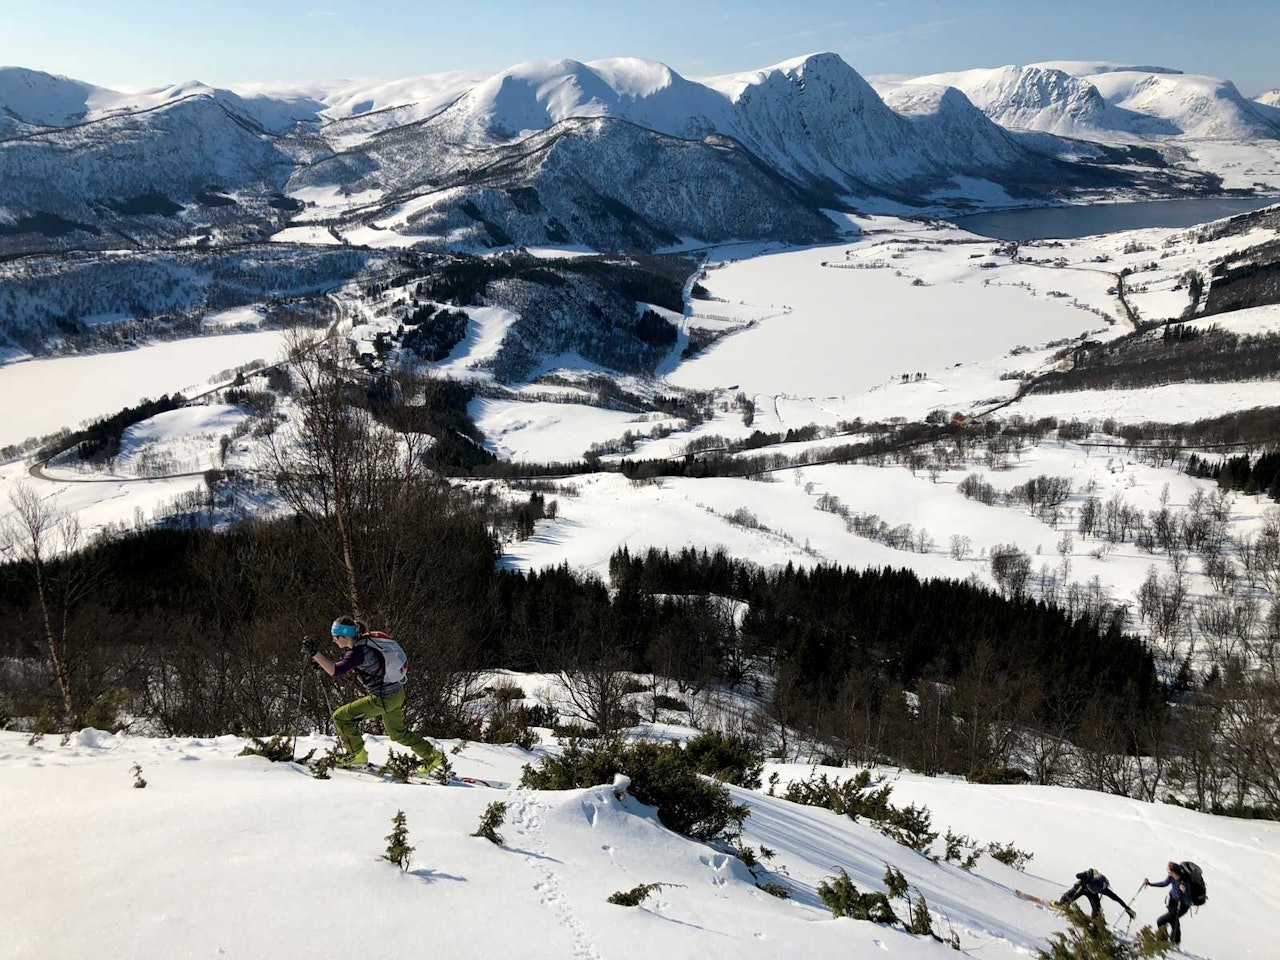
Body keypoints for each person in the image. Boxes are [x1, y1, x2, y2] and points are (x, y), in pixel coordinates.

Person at [310, 616, 442, 774]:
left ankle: (356, 754)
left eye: (335, 637)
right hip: (396, 693)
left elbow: (335, 671)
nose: (334, 641)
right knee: (398, 733)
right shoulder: (365, 643)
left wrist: (315, 654)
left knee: (341, 717)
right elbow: (340, 665)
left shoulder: (358, 652)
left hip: (383, 698)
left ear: (344, 636)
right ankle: (433, 756)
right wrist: (321, 662)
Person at [1144, 861, 1195, 946]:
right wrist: (1150, 884)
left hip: (1181, 906)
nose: (1167, 871)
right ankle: (1173, 942)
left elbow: (1189, 900)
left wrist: (1185, 891)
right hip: (1172, 903)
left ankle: (1164, 942)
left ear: (1173, 871)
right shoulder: (1171, 877)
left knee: (1161, 921)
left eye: (1168, 870)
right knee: (1174, 922)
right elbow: (1164, 883)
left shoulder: (1185, 881)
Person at [1055, 868, 1136, 921]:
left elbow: (1116, 898)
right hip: (1082, 887)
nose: (1093, 891)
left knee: (1096, 909)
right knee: (1068, 897)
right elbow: (1077, 875)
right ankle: (1062, 904)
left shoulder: (1102, 888)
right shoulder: (1087, 878)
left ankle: (1095, 923)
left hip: (1090, 892)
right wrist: (1087, 873)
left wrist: (1127, 908)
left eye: (1095, 890)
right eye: (1092, 889)